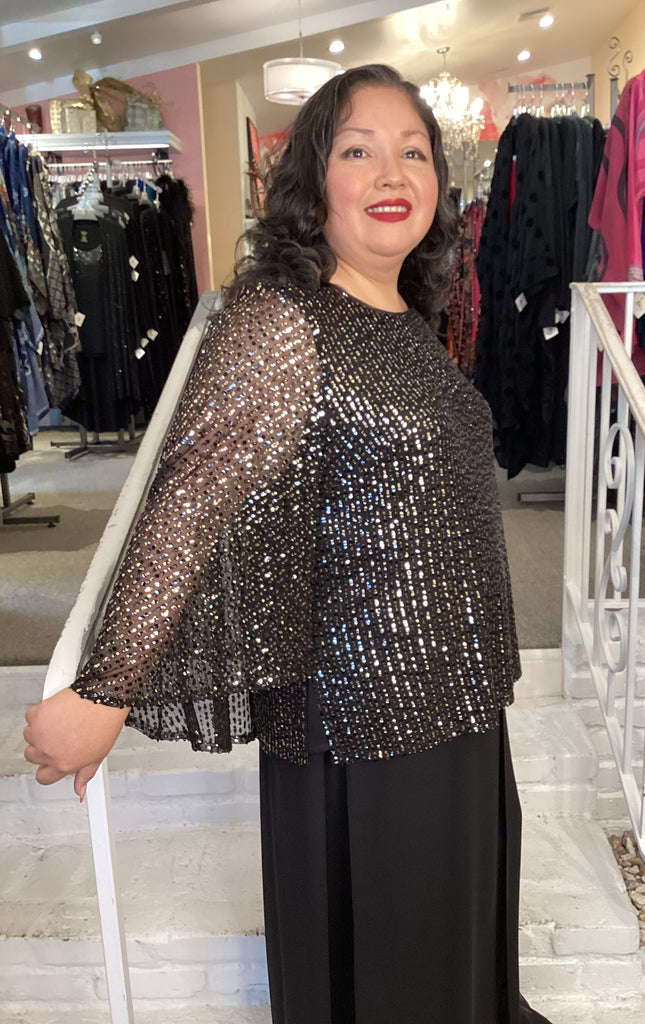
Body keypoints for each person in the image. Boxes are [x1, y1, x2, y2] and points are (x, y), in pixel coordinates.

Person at [24, 64, 552, 1024]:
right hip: (365, 734)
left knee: (458, 965)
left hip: (459, 708)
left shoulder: (412, 323)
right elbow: (191, 499)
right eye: (358, 149)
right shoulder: (281, 322)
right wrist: (105, 689)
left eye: (413, 151)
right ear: (313, 182)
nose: (391, 172)